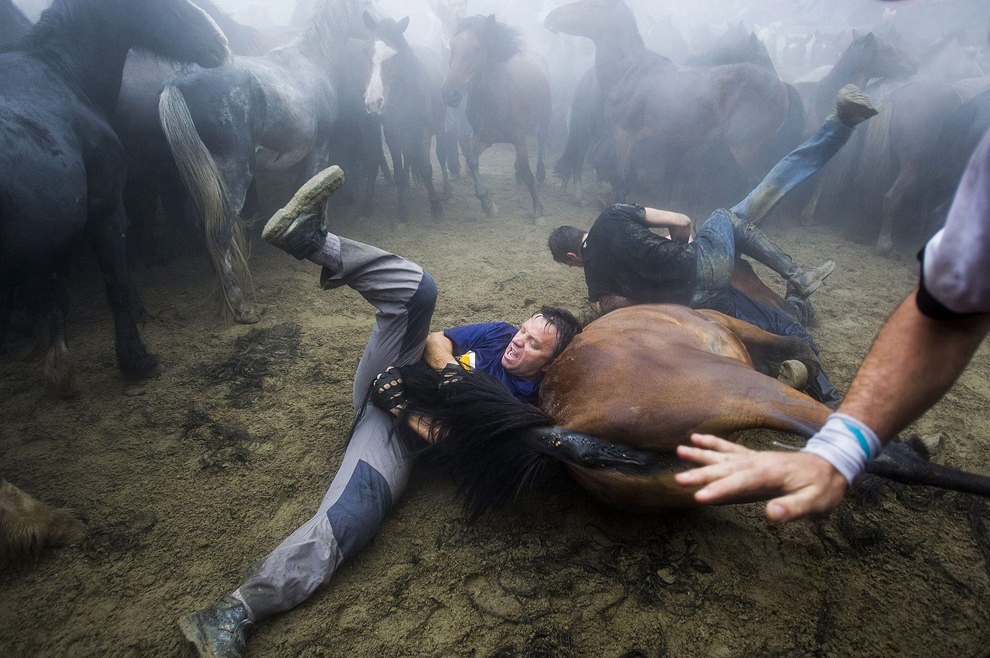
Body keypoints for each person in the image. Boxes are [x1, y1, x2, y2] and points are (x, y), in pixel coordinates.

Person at [177, 167, 580, 657]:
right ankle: (312, 241)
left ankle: (231, 612)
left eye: (534, 344)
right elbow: (437, 339)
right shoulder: (498, 333)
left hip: (396, 426)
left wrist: (405, 408)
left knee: (354, 517)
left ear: (551, 363)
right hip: (398, 374)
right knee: (420, 291)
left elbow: (458, 447)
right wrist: (452, 371)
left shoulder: (523, 404)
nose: (518, 341)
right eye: (524, 329)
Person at [674, 110, 990, 524]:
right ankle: (796, 287)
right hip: (721, 291)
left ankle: (794, 320)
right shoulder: (711, 241)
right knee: (751, 228)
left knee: (789, 312)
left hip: (725, 297)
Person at [547, 85, 880, 406]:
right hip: (704, 263)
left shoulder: (596, 285)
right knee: (737, 210)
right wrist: (679, 244)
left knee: (773, 324)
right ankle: (796, 272)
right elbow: (680, 221)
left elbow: (623, 308)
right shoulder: (612, 216)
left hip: (697, 302)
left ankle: (827, 392)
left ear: (573, 258)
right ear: (582, 230)